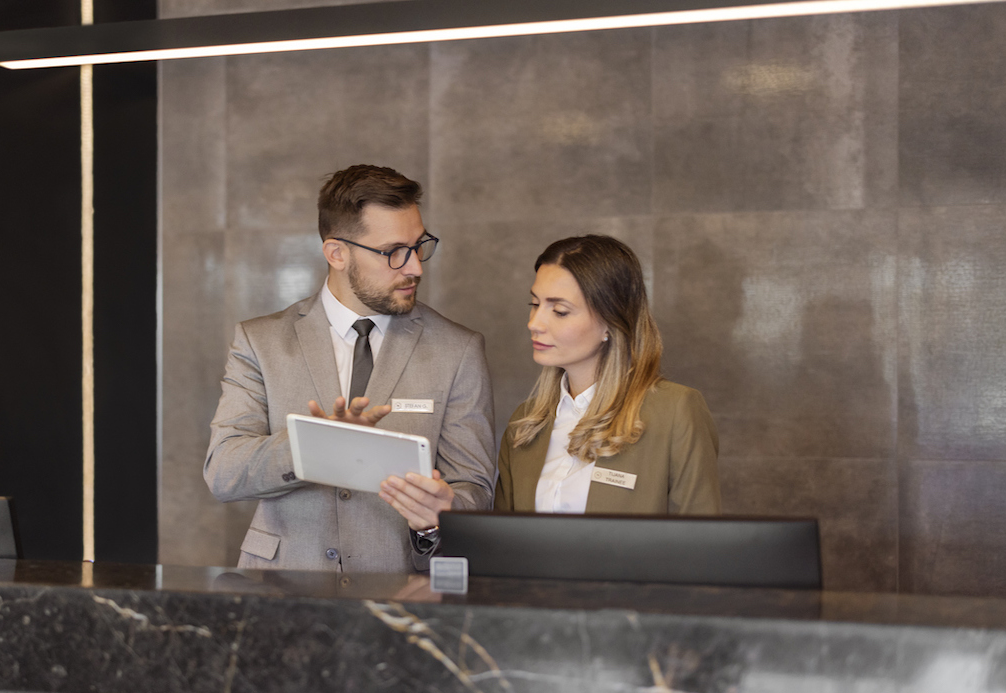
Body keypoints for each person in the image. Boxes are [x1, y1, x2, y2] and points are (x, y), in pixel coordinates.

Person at [204, 165, 495, 573]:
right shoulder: (260, 341)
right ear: (337, 253)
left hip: (404, 596)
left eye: (419, 245)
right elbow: (224, 472)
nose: (415, 268)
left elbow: (475, 491)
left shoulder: (459, 349)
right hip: (281, 589)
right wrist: (316, 445)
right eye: (394, 251)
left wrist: (435, 520)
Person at [380, 234, 720, 525]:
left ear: (610, 322)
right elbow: (504, 548)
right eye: (534, 304)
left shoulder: (676, 411)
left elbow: (703, 549)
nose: (535, 323)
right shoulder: (525, 425)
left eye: (559, 311)